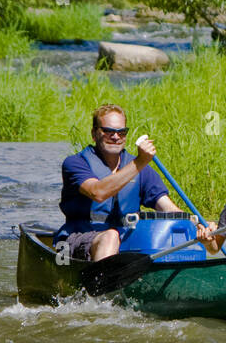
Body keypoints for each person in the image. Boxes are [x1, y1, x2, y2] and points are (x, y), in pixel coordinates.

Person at [54, 104, 217, 261]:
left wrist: (196, 227)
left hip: (127, 241)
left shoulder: (142, 170)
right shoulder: (75, 163)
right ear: (94, 134)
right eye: (108, 131)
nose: (116, 136)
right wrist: (140, 162)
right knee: (111, 236)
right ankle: (105, 289)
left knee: (160, 239)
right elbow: (98, 192)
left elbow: (168, 208)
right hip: (78, 238)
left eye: (121, 132)